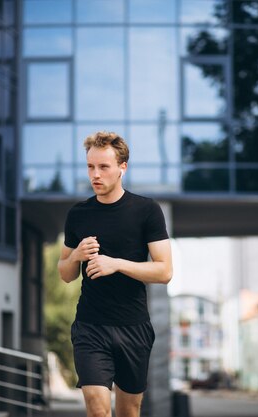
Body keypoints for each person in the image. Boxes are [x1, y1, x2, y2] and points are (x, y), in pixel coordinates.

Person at [58, 131, 173, 417]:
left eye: (103, 167)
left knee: (128, 412)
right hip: (90, 326)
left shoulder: (147, 211)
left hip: (133, 327)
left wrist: (117, 264)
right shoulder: (78, 214)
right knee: (97, 410)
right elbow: (65, 273)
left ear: (123, 167)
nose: (95, 174)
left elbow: (164, 271)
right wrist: (76, 256)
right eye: (90, 167)